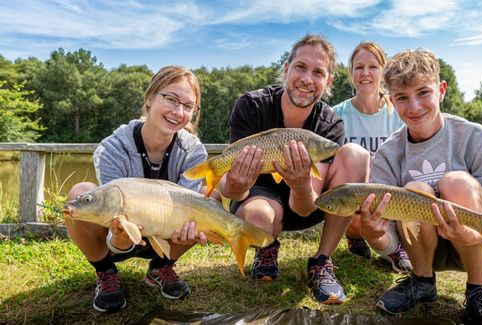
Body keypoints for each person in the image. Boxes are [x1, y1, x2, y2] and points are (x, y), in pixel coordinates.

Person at [361, 49, 482, 324]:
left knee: (456, 182)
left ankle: (478, 291)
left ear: (441, 90)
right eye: (402, 97)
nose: (414, 107)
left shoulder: (477, 138)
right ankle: (422, 281)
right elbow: (388, 239)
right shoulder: (387, 154)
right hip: (422, 249)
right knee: (415, 189)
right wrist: (374, 236)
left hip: (476, 244)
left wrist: (474, 235)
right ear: (391, 101)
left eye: (423, 92)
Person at [218, 34, 370, 304]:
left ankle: (321, 261)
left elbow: (304, 208)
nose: (307, 80)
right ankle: (267, 246)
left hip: (308, 201)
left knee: (356, 155)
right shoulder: (252, 105)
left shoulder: (329, 124)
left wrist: (300, 183)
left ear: (328, 81)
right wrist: (236, 184)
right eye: (300, 67)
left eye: (318, 72)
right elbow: (232, 189)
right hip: (258, 197)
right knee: (257, 217)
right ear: (286, 68)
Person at [64, 66, 212, 313]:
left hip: (168, 233)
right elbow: (114, 232)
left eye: (188, 106)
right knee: (79, 193)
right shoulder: (111, 148)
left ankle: (161, 267)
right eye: (171, 99)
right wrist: (121, 240)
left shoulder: (194, 151)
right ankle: (106, 273)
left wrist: (189, 230)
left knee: (207, 200)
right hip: (116, 236)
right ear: (150, 98)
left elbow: (190, 211)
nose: (178, 112)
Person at [331, 41, 411, 274]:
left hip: (393, 192)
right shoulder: (336, 115)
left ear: (383, 72)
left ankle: (398, 246)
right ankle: (355, 236)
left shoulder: (398, 113)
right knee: (355, 210)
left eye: (373, 67)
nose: (365, 73)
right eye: (359, 67)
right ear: (351, 73)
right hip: (357, 195)